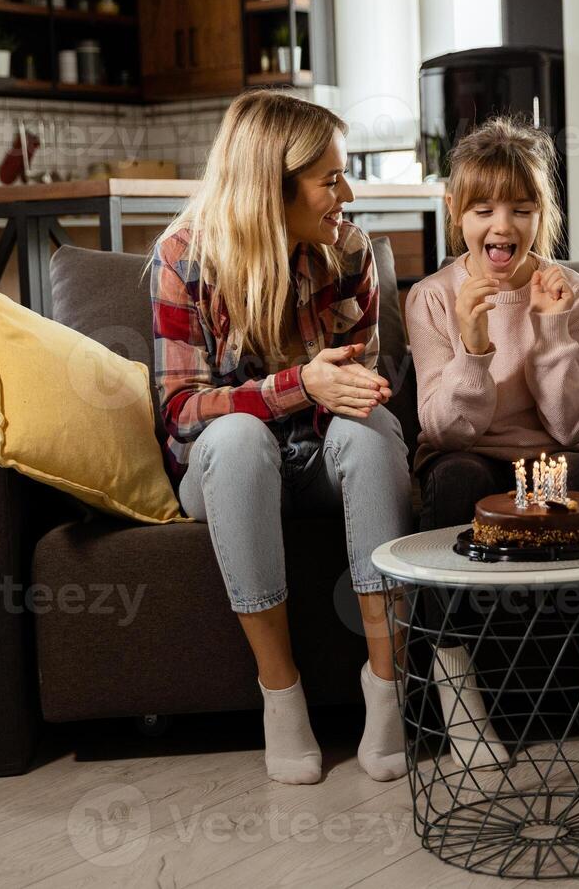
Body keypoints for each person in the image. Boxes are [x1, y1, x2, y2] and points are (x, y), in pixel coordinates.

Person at [150, 91, 412, 786]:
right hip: (225, 471)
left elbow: (357, 391)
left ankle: (387, 688)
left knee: (373, 429)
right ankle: (281, 695)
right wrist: (295, 386)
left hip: (321, 460)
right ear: (274, 184)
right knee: (237, 439)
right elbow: (179, 411)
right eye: (330, 179)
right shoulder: (183, 257)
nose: (346, 195)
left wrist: (336, 394)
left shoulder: (348, 252)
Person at [406, 117, 579, 767]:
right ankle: (457, 698)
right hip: (468, 454)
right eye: (482, 209)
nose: (501, 225)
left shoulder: (574, 293)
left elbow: (571, 427)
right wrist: (474, 345)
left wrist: (550, 327)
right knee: (451, 481)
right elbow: (445, 430)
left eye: (521, 207)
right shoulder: (430, 299)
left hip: (549, 459)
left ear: (544, 212)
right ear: (457, 213)